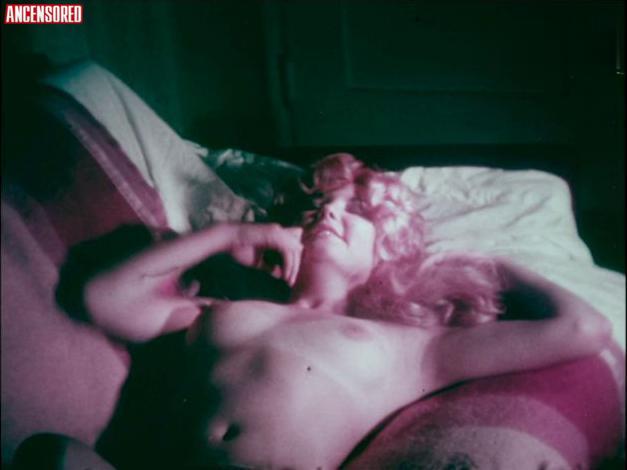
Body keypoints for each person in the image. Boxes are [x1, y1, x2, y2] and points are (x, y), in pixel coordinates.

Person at [68, 154, 611, 468]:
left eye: (354, 211)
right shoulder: (219, 310)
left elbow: (583, 328)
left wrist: (496, 265)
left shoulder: (412, 346)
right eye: (317, 209)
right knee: (56, 457)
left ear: (387, 245)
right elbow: (104, 299)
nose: (328, 215)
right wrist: (230, 234)